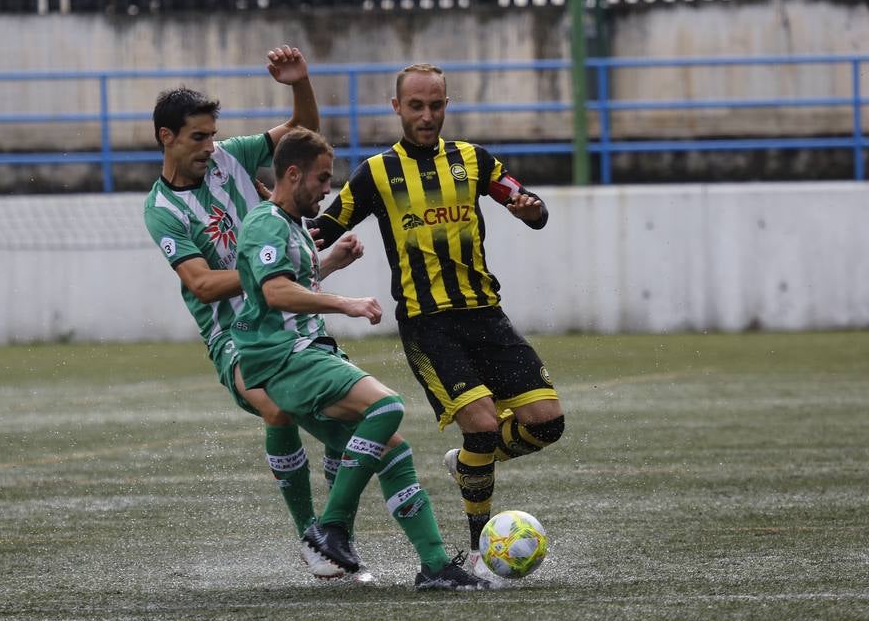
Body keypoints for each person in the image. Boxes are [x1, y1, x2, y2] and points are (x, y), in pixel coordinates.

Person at [311, 63, 564, 577]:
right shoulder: (377, 173)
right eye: (417, 106)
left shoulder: (474, 160)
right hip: (429, 324)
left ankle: (469, 463)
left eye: (436, 105)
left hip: (486, 314)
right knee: (483, 424)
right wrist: (275, 220)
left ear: (447, 105)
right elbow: (323, 227)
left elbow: (528, 205)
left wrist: (528, 209)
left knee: (548, 423)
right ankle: (477, 553)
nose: (427, 116)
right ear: (397, 108)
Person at [142, 45, 369, 581]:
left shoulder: (231, 158)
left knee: (345, 422)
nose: (209, 147)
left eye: (211, 135)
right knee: (278, 410)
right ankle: (310, 534)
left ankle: (337, 534)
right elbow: (200, 283)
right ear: (166, 138)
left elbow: (302, 140)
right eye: (197, 137)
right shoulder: (162, 210)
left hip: (291, 323)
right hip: (234, 338)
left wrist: (300, 84)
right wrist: (276, 272)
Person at [234, 128, 489, 590]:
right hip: (284, 360)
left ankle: (434, 567)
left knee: (395, 452)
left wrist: (328, 263)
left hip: (305, 355)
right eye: (322, 178)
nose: (327, 189)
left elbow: (285, 282)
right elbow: (274, 291)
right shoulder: (265, 222)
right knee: (387, 406)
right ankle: (331, 527)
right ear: (293, 174)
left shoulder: (289, 226)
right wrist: (346, 303)